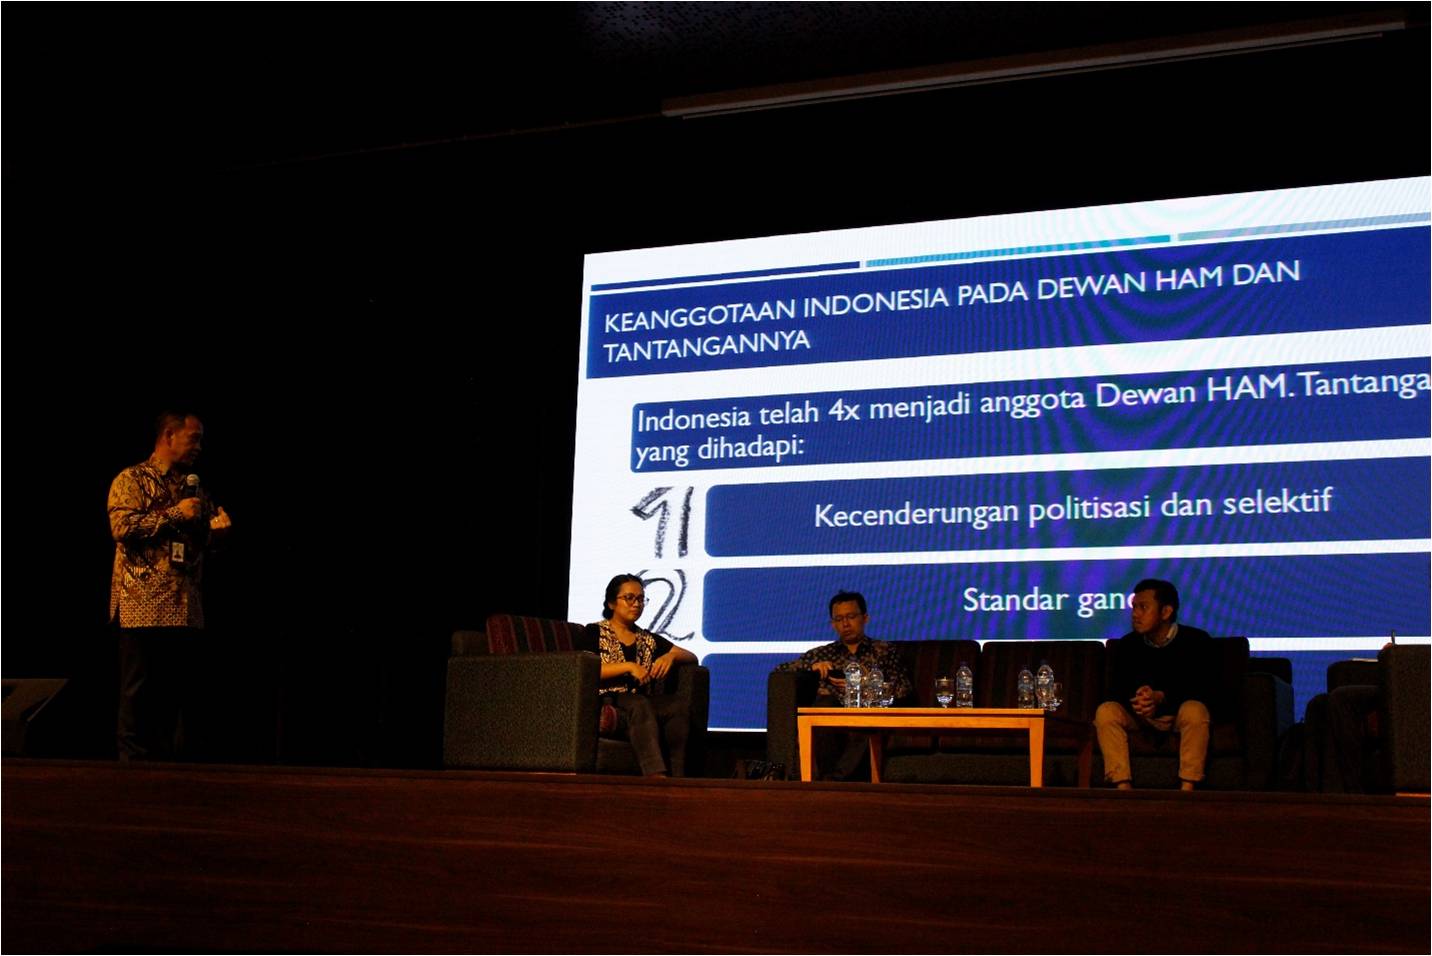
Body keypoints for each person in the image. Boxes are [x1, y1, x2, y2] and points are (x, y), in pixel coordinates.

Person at [109, 411, 233, 761]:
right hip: (142, 603)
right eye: (194, 438)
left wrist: (218, 535)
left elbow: (199, 543)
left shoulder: (195, 489)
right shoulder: (132, 478)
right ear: (169, 435)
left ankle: (169, 769)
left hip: (184, 604)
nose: (199, 447)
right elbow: (122, 528)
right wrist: (177, 513)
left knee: (175, 694)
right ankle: (131, 767)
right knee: (137, 690)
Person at [775, 590, 912, 779]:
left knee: (864, 718)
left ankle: (834, 780)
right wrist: (811, 667)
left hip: (867, 714)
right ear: (833, 624)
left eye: (851, 617)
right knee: (824, 705)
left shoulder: (883, 651)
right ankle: (829, 778)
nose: (845, 624)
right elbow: (780, 669)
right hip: (829, 720)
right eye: (838, 619)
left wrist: (864, 686)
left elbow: (903, 689)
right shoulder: (823, 654)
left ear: (865, 618)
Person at [1094, 578, 1213, 791]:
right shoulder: (1127, 645)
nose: (1135, 614)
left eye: (1143, 607)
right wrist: (1139, 699)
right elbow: (1114, 690)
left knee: (1195, 710)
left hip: (1177, 714)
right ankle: (1123, 788)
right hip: (1139, 716)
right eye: (1134, 607)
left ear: (1166, 612)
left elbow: (1205, 688)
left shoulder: (1196, 641)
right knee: (1106, 711)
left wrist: (1161, 697)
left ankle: (1187, 789)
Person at [587, 574, 698, 777]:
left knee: (677, 707)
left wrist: (671, 656)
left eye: (640, 599)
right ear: (611, 603)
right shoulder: (594, 632)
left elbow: (692, 657)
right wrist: (628, 666)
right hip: (607, 697)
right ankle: (655, 775)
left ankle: (678, 776)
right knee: (639, 705)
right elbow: (586, 669)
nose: (636, 604)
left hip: (640, 698)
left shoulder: (648, 638)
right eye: (629, 598)